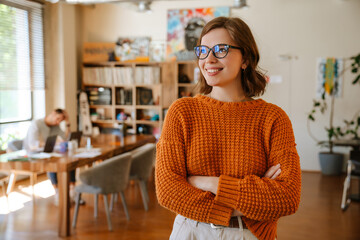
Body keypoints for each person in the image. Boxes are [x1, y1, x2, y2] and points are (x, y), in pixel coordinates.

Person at [155, 17, 301, 240]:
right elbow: (168, 191)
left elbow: (287, 197)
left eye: (221, 49)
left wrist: (207, 183)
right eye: (203, 50)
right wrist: (253, 196)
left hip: (247, 234)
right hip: (191, 231)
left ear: (245, 59)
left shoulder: (273, 118)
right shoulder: (182, 112)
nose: (209, 59)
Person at [23, 108, 77, 205]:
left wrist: (68, 123)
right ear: (52, 113)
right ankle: (57, 192)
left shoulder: (55, 126)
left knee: (69, 159)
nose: (58, 122)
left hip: (47, 152)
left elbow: (65, 138)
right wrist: (50, 143)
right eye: (57, 118)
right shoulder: (36, 124)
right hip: (32, 154)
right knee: (51, 161)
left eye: (60, 121)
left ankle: (72, 190)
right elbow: (32, 144)